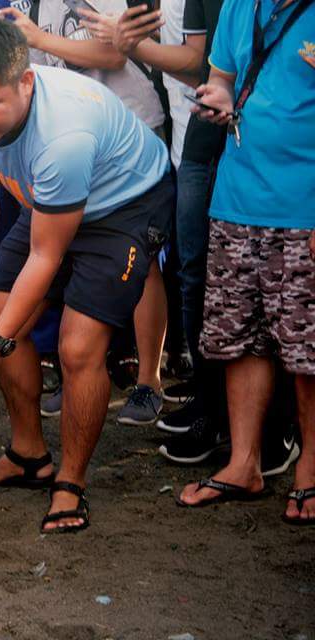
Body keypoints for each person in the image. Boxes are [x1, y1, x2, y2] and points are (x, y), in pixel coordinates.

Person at [0, 17, 173, 532]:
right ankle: (29, 454)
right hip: (50, 200)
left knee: (77, 346)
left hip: (125, 204)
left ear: (25, 82)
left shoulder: (63, 134)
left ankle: (70, 482)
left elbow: (47, 258)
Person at [174, 0, 314, 525]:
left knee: (308, 350)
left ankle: (310, 474)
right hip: (235, 197)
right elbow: (223, 80)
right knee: (240, 336)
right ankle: (243, 464)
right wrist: (219, 99)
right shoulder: (237, 4)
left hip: (304, 205)